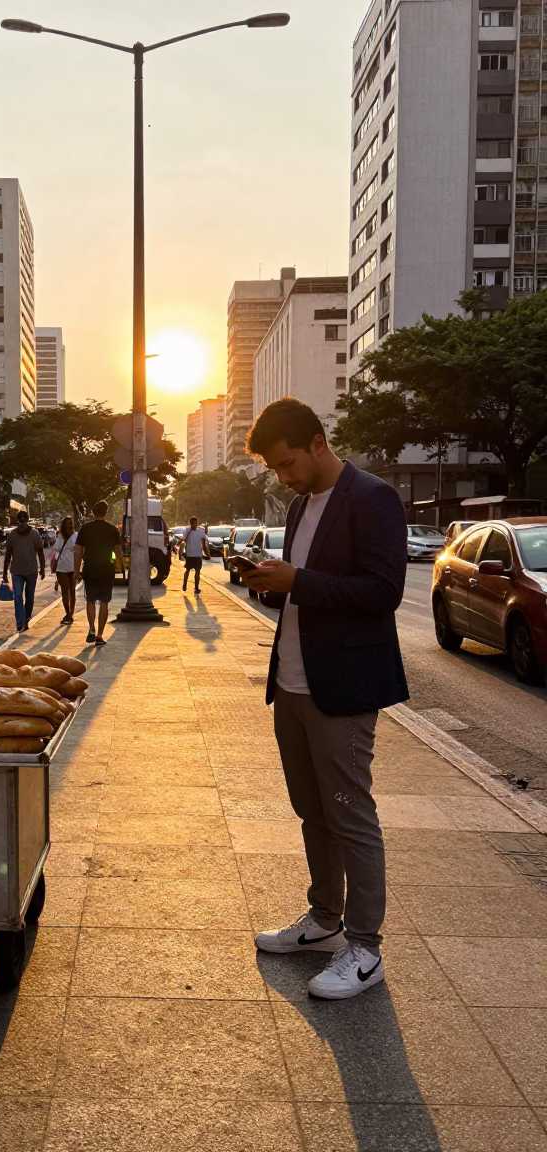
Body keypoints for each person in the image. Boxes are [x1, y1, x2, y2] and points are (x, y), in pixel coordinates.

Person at [241, 398, 408, 1001]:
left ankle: (365, 948)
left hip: (342, 689)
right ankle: (324, 919)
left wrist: (299, 581)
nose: (283, 477)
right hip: (291, 682)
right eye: (275, 469)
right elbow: (307, 589)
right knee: (312, 810)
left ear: (317, 443)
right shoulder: (298, 504)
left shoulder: (372, 498)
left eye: (287, 463)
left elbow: (383, 591)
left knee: (349, 814)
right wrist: (274, 583)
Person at [74, 500, 124, 646]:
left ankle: (91, 628)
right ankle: (100, 635)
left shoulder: (85, 528)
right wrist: (120, 567)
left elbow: (78, 551)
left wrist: (77, 571)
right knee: (104, 602)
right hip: (106, 569)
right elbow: (118, 550)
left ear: (93, 512)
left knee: (90, 600)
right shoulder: (112, 529)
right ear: (106, 512)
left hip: (90, 568)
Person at [3, 510, 45, 632]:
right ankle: (19, 623)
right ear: (17, 522)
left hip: (31, 571)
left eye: (24, 522)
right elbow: (8, 555)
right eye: (19, 522)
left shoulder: (35, 534)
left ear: (27, 521)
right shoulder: (12, 535)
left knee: (30, 597)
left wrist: (42, 569)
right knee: (17, 597)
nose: (21, 525)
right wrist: (4, 573)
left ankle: (26, 618)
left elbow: (41, 553)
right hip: (16, 572)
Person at [51, 515, 78, 625]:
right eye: (68, 524)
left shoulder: (77, 536)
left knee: (72, 591)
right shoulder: (60, 537)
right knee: (65, 592)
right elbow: (57, 551)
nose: (71, 526)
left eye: (72, 523)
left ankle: (71, 614)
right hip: (61, 568)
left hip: (73, 568)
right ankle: (68, 613)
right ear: (64, 526)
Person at [179, 515, 210, 594]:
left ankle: (196, 588)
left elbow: (204, 544)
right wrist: (180, 554)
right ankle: (184, 584)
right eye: (192, 523)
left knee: (197, 571)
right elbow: (183, 542)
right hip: (189, 555)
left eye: (195, 523)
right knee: (187, 570)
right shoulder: (187, 530)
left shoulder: (201, 531)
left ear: (197, 523)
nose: (194, 525)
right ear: (190, 523)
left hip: (198, 555)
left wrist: (207, 554)